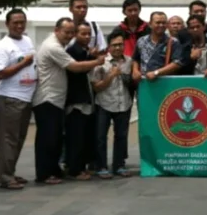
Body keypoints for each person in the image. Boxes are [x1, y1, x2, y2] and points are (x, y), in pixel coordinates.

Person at [32, 18, 104, 185]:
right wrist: (97, 61)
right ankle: (43, 174)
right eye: (67, 32)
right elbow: (74, 67)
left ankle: (53, 170)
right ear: (56, 30)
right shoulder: (53, 47)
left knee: (55, 138)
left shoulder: (61, 46)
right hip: (47, 98)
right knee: (47, 139)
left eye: (72, 32)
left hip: (56, 99)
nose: (70, 35)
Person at [0, 9, 37, 190]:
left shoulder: (27, 40)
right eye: (15, 23)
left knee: (19, 138)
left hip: (26, 97)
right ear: (7, 24)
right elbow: (0, 73)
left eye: (22, 22)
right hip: (10, 97)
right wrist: (22, 64)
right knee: (9, 138)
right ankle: (5, 176)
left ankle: (10, 171)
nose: (19, 26)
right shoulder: (2, 46)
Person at [91, 32, 133, 179]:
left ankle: (119, 165)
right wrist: (111, 75)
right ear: (109, 47)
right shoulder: (101, 62)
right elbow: (96, 87)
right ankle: (101, 166)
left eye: (120, 44)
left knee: (121, 136)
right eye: (114, 45)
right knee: (101, 137)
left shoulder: (129, 61)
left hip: (124, 104)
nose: (118, 48)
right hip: (104, 104)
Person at [64, 22, 99, 180]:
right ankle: (74, 169)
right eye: (82, 34)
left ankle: (81, 166)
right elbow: (79, 69)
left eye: (88, 34)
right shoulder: (73, 51)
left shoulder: (84, 51)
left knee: (84, 136)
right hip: (76, 100)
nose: (86, 37)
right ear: (75, 35)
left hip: (86, 99)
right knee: (76, 137)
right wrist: (94, 59)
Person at [132, 11, 189, 83]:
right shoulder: (141, 40)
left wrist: (156, 73)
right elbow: (136, 59)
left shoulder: (173, 42)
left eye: (164, 23)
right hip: (144, 83)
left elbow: (177, 63)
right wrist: (135, 71)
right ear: (150, 24)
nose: (161, 25)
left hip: (165, 83)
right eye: (158, 22)